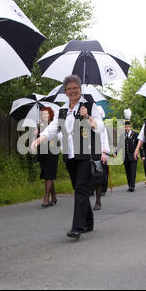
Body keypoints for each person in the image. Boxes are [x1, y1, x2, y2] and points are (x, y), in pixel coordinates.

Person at [31, 75, 105, 240]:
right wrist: (39, 139)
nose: (72, 91)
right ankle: (89, 221)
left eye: (75, 88)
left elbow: (100, 128)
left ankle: (77, 228)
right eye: (69, 89)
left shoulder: (89, 106)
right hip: (70, 154)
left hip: (85, 153)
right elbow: (53, 128)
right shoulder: (62, 110)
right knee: (79, 189)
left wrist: (88, 118)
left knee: (80, 188)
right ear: (65, 91)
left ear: (80, 89)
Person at [36, 107, 60, 208]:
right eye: (42, 114)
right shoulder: (39, 126)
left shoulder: (55, 125)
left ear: (50, 115)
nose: (44, 116)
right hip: (43, 153)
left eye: (46, 114)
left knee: (49, 175)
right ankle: (54, 197)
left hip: (53, 152)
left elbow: (58, 138)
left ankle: (46, 198)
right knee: (47, 174)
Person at [93, 106, 111, 211]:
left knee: (98, 177)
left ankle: (98, 201)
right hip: (86, 152)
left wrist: (104, 152)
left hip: (99, 153)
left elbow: (104, 140)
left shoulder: (102, 126)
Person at [122, 110, 139, 192]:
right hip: (125, 157)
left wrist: (142, 155)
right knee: (128, 172)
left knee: (133, 172)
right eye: (125, 127)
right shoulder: (122, 135)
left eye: (127, 127)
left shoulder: (135, 134)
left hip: (133, 156)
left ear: (130, 127)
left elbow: (140, 145)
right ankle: (129, 185)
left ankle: (132, 186)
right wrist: (115, 152)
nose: (126, 128)